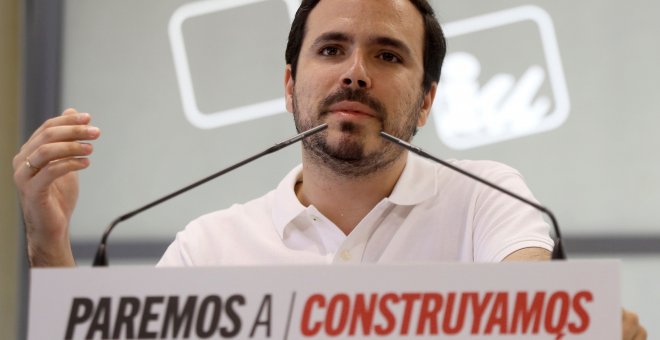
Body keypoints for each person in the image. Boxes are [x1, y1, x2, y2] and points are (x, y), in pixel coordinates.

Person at [12, 0, 646, 338]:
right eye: (332, 48)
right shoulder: (208, 248)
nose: (356, 72)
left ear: (425, 99)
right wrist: (49, 244)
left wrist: (576, 321)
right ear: (290, 85)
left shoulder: (486, 197)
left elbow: (531, 305)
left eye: (388, 54)